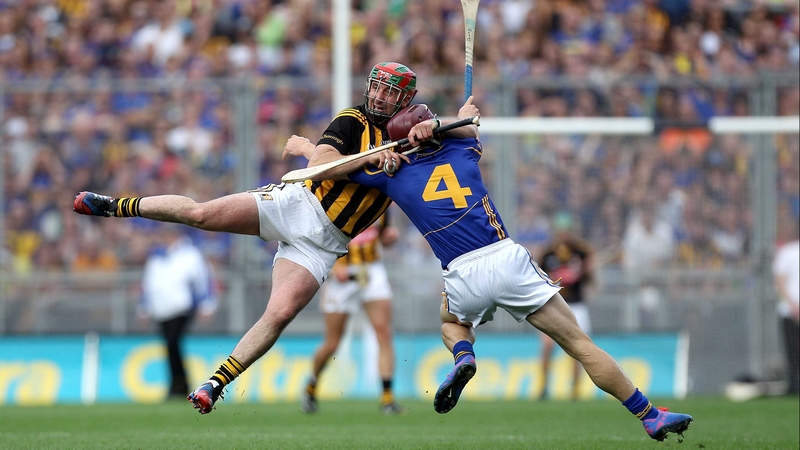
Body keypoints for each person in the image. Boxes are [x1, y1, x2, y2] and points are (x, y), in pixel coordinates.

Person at [284, 98, 693, 442]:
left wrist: (308, 147)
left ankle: (464, 355)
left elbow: (332, 168)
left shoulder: (393, 176)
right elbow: (469, 126)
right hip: (505, 259)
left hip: (461, 274)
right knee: (580, 345)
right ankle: (648, 415)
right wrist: (447, 121)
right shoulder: (464, 150)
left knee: (451, 324)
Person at [72, 61, 458, 415]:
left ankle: (214, 384)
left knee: (281, 313)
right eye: (376, 87)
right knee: (200, 214)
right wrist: (368, 157)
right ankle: (114, 205)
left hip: (325, 245)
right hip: (297, 204)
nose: (379, 95)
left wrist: (443, 123)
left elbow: (465, 132)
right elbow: (319, 164)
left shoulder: (415, 146)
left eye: (389, 91)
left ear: (406, 100)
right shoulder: (353, 119)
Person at [300, 212, 404, 415]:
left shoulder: (381, 203)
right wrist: (332, 269)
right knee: (332, 343)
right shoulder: (332, 204)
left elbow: (383, 237)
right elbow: (315, 242)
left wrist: (390, 238)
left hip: (371, 272)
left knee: (383, 333)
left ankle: (387, 398)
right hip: (342, 276)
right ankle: (311, 387)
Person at [138, 223, 217, 399]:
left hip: (182, 308)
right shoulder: (157, 257)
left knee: (173, 344)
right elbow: (149, 284)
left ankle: (179, 385)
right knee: (170, 346)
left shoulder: (190, 254)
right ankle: (178, 384)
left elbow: (202, 280)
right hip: (161, 310)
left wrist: (207, 304)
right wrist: (144, 307)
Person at [536, 212, 594, 401]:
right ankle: (543, 386)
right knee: (547, 345)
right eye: (560, 231)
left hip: (576, 305)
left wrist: (584, 272)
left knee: (578, 348)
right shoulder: (548, 254)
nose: (563, 235)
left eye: (566, 231)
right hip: (553, 305)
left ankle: (575, 388)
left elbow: (590, 279)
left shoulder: (582, 252)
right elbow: (539, 279)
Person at [773, 227, 799, 395]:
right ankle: (794, 384)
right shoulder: (787, 252)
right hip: (790, 311)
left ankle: (794, 384)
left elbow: (780, 281)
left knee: (792, 352)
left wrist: (793, 306)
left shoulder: (786, 252)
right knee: (792, 352)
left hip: (789, 310)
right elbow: (780, 281)